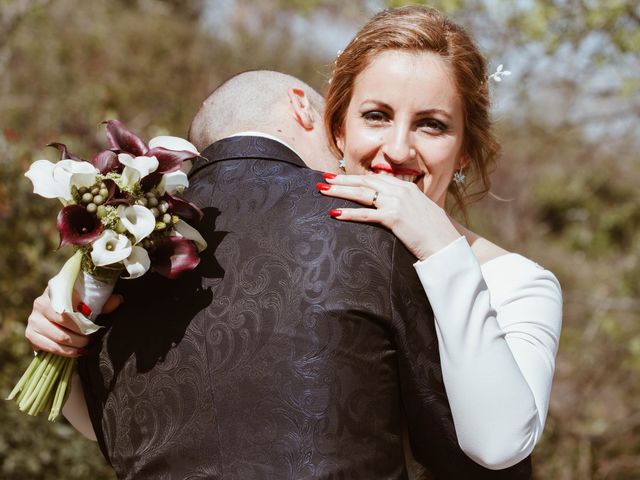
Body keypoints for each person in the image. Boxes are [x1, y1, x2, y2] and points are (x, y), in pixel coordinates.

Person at [25, 69, 534, 479]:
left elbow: (107, 427)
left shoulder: (128, 253)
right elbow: (465, 450)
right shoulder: (369, 231)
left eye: (431, 125)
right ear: (302, 108)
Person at [315, 5, 562, 470]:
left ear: (465, 149)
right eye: (376, 116)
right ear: (338, 128)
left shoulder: (520, 283)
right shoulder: (281, 250)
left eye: (432, 124)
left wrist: (443, 251)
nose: (398, 149)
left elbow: (499, 444)